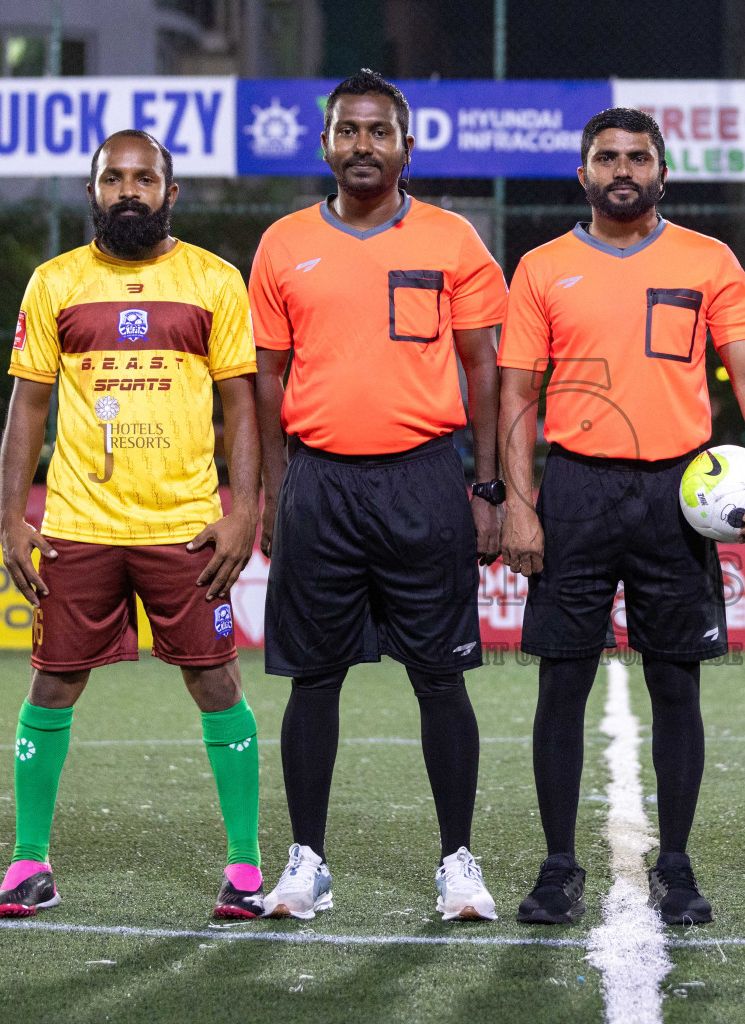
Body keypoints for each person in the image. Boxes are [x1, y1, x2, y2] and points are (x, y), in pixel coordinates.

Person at [498, 107, 745, 927]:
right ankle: (559, 867)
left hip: (678, 497)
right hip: (578, 491)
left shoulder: (708, 261)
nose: (621, 168)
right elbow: (516, 394)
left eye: (637, 157)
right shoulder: (542, 267)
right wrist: (521, 506)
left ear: (662, 172)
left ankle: (676, 864)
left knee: (677, 685)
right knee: (560, 685)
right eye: (606, 157)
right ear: (583, 173)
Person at [250, 70, 508, 923]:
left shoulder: (453, 239)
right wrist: (273, 492)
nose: (363, 145)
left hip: (425, 478)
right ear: (324, 143)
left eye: (379, 132)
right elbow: (267, 379)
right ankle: (306, 862)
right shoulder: (284, 243)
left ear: (406, 146)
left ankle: (458, 863)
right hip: (320, 480)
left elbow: (484, 370)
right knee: (312, 679)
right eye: (348, 131)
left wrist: (489, 487)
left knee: (441, 678)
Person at [0, 130, 263, 920]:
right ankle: (27, 862)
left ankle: (244, 866)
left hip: (185, 525)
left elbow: (241, 405)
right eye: (114, 178)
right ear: (93, 192)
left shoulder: (214, 280)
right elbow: (28, 407)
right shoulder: (55, 283)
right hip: (79, 523)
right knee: (53, 679)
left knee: (215, 679)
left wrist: (242, 510)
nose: (130, 189)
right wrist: (12, 515)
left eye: (145, 177)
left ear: (171, 191)